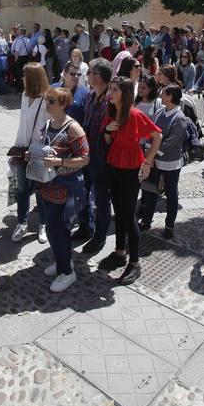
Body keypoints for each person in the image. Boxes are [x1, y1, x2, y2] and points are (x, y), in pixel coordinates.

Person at [99, 76, 162, 284]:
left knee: (128, 215)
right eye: (110, 88)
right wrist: (107, 131)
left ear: (125, 93)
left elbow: (157, 136)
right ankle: (119, 252)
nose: (110, 93)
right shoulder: (111, 112)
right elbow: (107, 139)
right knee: (118, 211)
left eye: (115, 90)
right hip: (114, 163)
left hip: (131, 166)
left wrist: (148, 162)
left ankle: (135, 263)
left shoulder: (134, 114)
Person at [36, 87, 89, 292]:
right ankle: (63, 262)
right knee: (58, 230)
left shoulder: (73, 128)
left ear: (63, 104)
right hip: (48, 186)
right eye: (47, 99)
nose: (47, 104)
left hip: (65, 189)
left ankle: (67, 272)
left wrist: (59, 162)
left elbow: (85, 158)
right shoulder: (48, 124)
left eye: (51, 101)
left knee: (55, 230)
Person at [138, 84, 187, 235]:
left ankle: (169, 225)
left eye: (164, 93)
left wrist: (152, 154)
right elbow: (151, 131)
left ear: (171, 96)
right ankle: (146, 221)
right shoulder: (160, 112)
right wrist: (148, 149)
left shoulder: (180, 118)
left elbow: (170, 143)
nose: (161, 95)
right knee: (151, 191)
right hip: (155, 160)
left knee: (171, 194)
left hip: (171, 163)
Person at [10, 62, 49, 243]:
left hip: (38, 152)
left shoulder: (46, 100)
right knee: (22, 189)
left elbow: (49, 130)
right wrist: (16, 148)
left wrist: (39, 151)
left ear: (33, 78)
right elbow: (22, 126)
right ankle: (22, 223)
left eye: (25, 76)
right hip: (21, 149)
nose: (22, 78)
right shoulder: (24, 96)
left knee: (41, 189)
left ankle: (43, 224)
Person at [79, 59, 114, 255]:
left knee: (102, 199)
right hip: (86, 155)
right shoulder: (90, 95)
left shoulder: (111, 100)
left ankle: (100, 237)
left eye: (91, 72)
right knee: (83, 191)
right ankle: (86, 227)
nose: (88, 75)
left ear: (99, 77)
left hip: (102, 158)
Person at [58, 61, 89, 125]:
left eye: (78, 74)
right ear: (64, 74)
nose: (76, 76)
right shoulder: (53, 89)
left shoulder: (86, 93)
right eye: (72, 74)